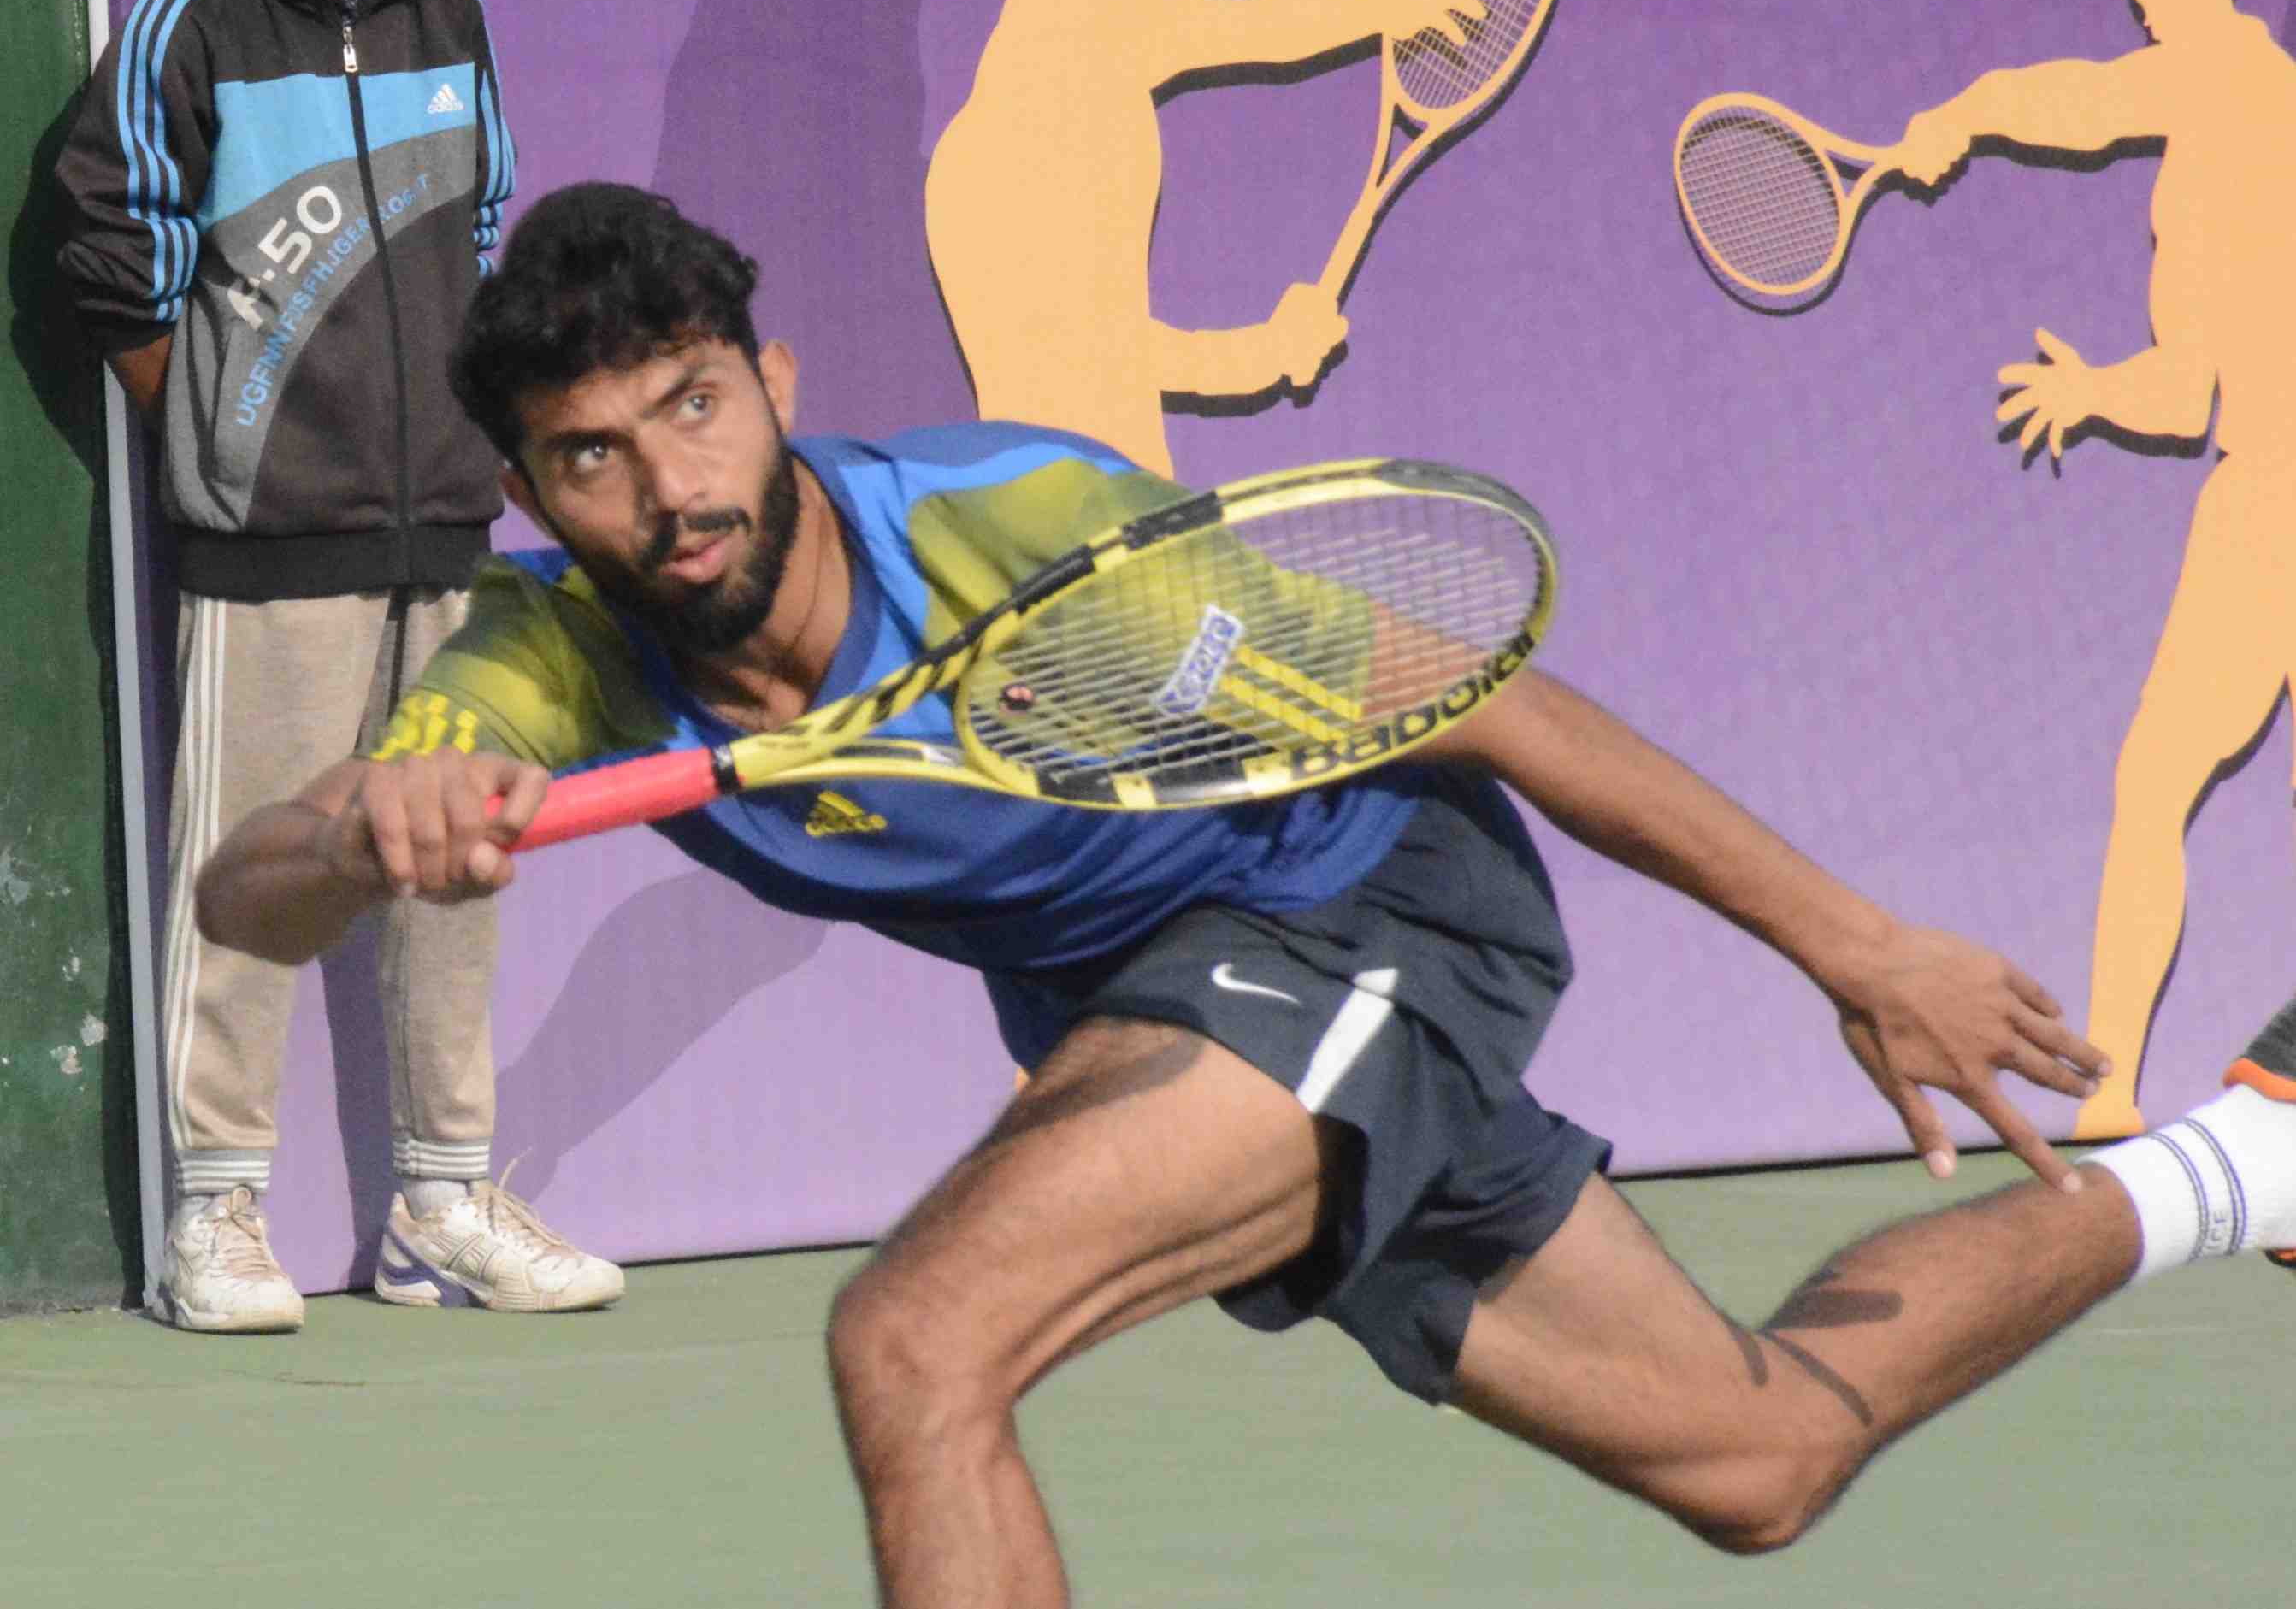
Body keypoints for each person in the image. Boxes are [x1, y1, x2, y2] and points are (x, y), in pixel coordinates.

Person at [198, 183, 2296, 1603]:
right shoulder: (551, 656)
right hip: (1189, 1031)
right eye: (592, 454)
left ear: (774, 381)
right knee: (1756, 1463)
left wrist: (1854, 944)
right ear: (529, 494)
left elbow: (1475, 701)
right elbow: (247, 895)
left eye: (691, 406)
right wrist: (364, 831)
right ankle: (2234, 1165)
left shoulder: (1019, 526)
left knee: (917, 1342)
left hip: (1363, 902)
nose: (669, 487)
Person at [56, 0, 618, 1330]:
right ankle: (215, 1214)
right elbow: (111, 254)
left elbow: (488, 226)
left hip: (445, 521)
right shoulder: (185, 25)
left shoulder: (444, 5)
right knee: (252, 866)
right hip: (267, 538)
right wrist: (226, 443)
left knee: (455, 859)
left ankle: (439, 1201)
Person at [1898, 0, 2296, 1140]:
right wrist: (2098, 390)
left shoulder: (2233, 81)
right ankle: (2111, 1084)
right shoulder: (2219, 127)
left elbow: (2078, 102)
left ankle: (2120, 1079)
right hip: (2260, 492)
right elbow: (2188, 391)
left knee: (2152, 782)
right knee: (2151, 781)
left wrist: (1961, 115)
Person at [925, 0, 1488, 474]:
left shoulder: (959, 159)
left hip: (1026, 533)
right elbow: (1257, 26)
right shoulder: (1101, 31)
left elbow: (1078, 358)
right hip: (1105, 521)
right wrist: (1263, 353)